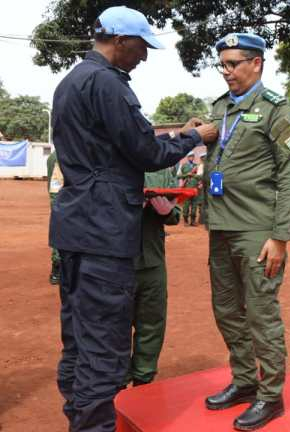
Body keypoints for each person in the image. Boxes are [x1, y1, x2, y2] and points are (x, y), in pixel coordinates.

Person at [49, 6, 217, 431]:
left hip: (75, 227)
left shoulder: (71, 82)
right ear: (120, 41)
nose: (143, 56)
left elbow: (110, 145)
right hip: (105, 231)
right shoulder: (107, 83)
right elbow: (145, 152)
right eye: (141, 46)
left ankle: (77, 419)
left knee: (79, 339)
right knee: (105, 348)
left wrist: (178, 133)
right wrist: (194, 138)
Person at [203, 32, 290, 430]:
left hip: (257, 231)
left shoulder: (276, 109)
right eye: (222, 64)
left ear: (256, 63)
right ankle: (244, 381)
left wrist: (280, 236)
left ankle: (270, 395)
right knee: (226, 310)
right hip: (220, 226)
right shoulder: (220, 108)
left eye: (233, 64)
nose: (226, 71)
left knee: (261, 313)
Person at [128, 167, 180, 386]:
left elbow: (175, 216)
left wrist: (166, 211)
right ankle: (116, 381)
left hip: (152, 261)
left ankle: (143, 378)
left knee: (151, 324)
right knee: (114, 326)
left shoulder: (161, 169)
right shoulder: (107, 159)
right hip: (116, 263)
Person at [47, 150, 63, 285]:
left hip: (59, 198)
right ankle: (57, 268)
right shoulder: (61, 155)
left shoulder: (54, 155)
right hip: (63, 199)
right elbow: (56, 186)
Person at [179, 152, 202, 225]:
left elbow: (200, 176)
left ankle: (193, 221)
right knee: (186, 205)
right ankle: (185, 220)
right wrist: (186, 174)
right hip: (187, 189)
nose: (191, 158)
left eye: (192, 156)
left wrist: (199, 182)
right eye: (190, 156)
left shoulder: (197, 166)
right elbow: (178, 176)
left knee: (194, 205)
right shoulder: (183, 166)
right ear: (187, 157)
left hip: (195, 189)